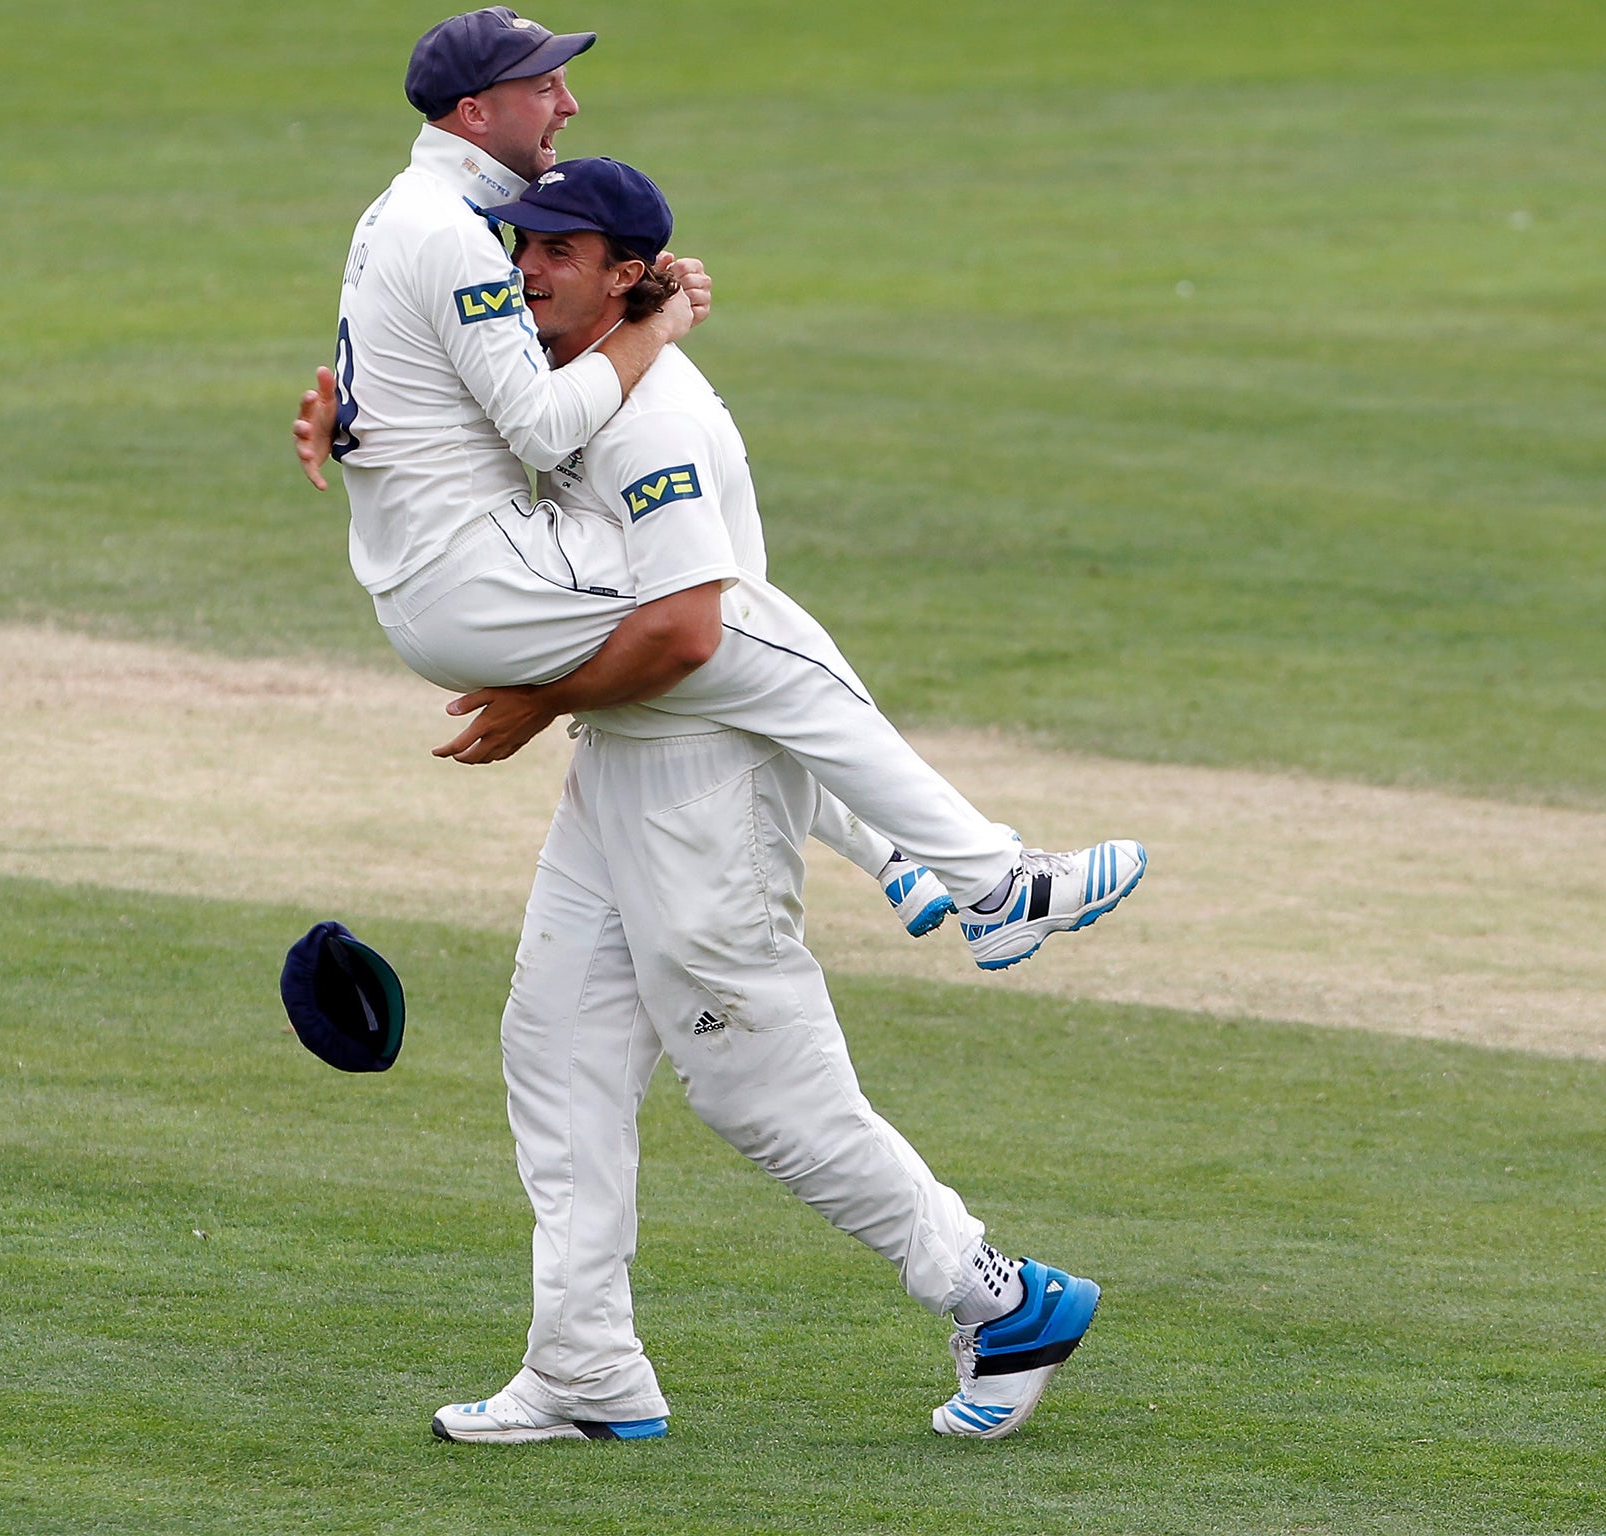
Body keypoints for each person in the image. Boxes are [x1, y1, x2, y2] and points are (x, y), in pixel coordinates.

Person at [423, 158, 1104, 1444]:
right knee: (553, 1045)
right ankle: (582, 1368)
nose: (523, 269)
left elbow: (687, 634)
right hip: (618, 772)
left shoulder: (656, 420)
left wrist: (532, 699)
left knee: (755, 1091)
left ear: (624, 271)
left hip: (700, 787)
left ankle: (995, 1296)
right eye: (518, 243)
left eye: (556, 250)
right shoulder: (568, 383)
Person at [295, 8, 1147, 969]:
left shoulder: (399, 211)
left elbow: (411, 382)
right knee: (740, 621)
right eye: (544, 87)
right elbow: (536, 422)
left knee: (730, 642)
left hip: (438, 575)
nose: (567, 103)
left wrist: (342, 421)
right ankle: (996, 882)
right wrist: (652, 328)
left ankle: (899, 857)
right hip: (479, 572)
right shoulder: (450, 232)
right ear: (474, 110)